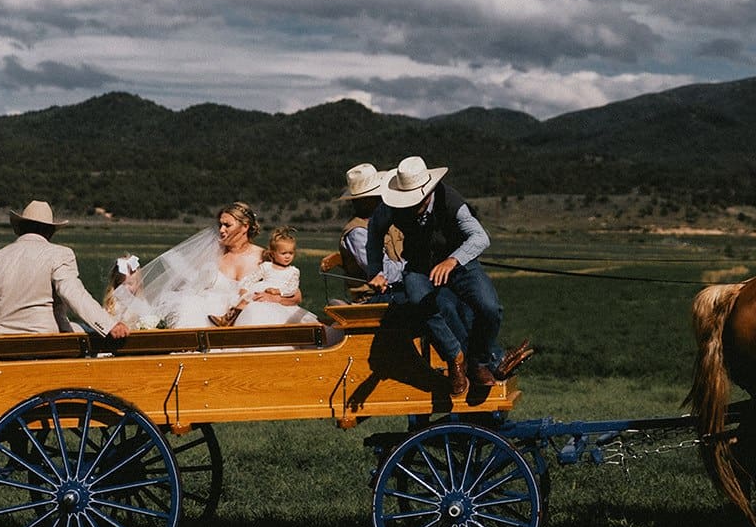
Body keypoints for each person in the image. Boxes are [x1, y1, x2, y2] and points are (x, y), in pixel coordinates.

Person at [365, 156, 532, 396]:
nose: (410, 205)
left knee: (490, 308)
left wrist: (453, 260)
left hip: (460, 262)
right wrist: (375, 271)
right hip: (420, 266)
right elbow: (374, 233)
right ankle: (455, 357)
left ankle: (480, 362)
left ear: (428, 190)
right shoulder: (390, 207)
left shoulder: (451, 200)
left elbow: (480, 237)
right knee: (419, 299)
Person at [0, 200, 129, 338]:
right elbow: (72, 293)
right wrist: (109, 325)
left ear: (20, 228)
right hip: (44, 339)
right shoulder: (60, 254)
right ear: (50, 231)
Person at [125, 202, 273, 329]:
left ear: (245, 227)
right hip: (208, 319)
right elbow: (191, 288)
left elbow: (287, 290)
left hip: (248, 321)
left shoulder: (263, 257)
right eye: (220, 225)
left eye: (227, 225)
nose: (221, 230)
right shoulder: (213, 255)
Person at [210, 226, 319, 326]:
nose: (287, 257)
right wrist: (245, 288)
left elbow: (292, 288)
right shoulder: (267, 266)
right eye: (283, 253)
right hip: (262, 289)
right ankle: (228, 318)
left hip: (278, 294)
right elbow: (252, 277)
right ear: (273, 254)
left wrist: (279, 292)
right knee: (246, 300)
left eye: (291, 253)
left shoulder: (293, 271)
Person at [336, 162, 405, 301]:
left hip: (398, 287)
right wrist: (416, 268)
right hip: (372, 296)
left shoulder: (386, 221)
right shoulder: (357, 233)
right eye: (378, 196)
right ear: (365, 201)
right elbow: (384, 271)